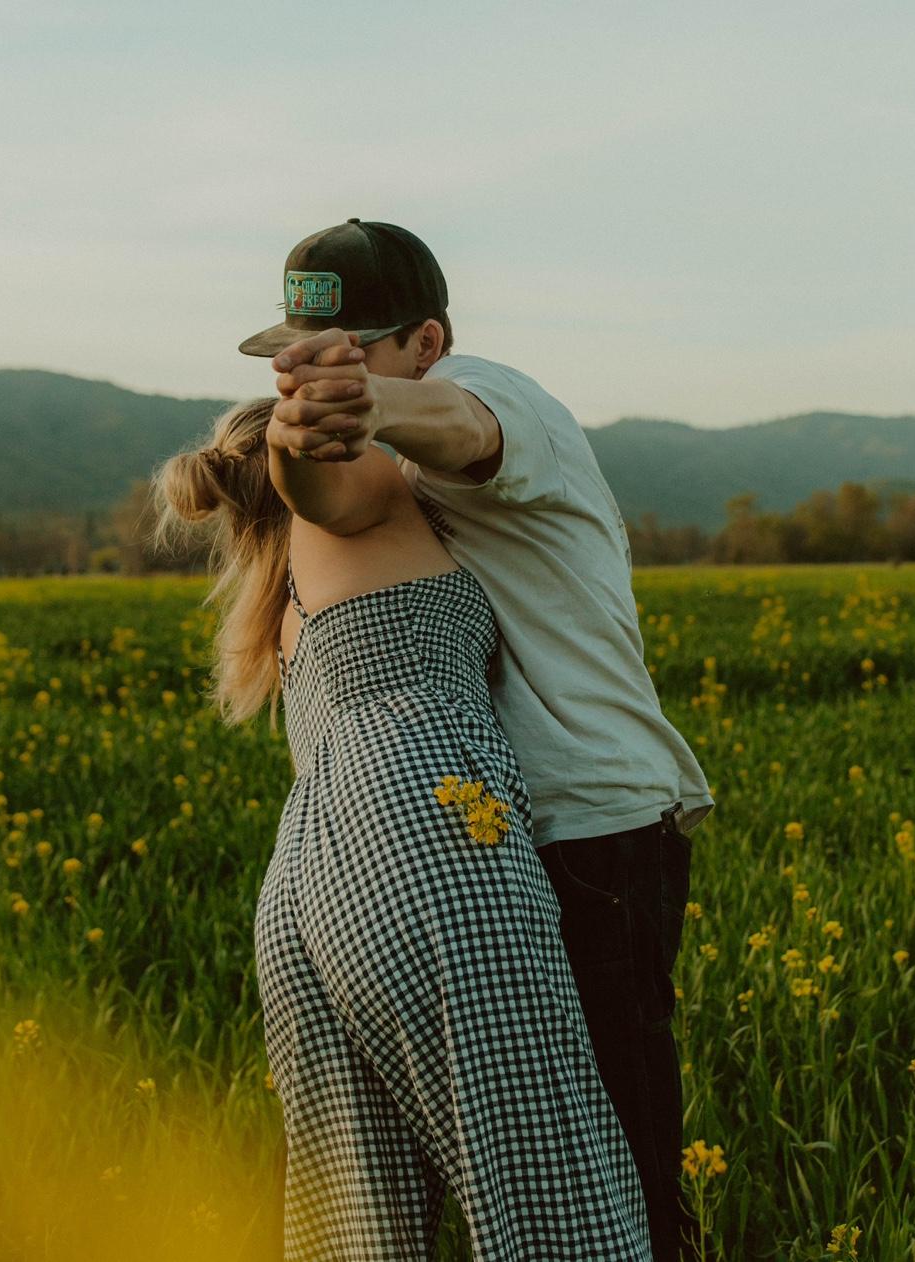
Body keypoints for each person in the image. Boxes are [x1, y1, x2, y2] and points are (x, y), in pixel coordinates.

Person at [240, 218, 715, 1262]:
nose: (326, 374)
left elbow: (458, 422)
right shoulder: (375, 473)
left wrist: (365, 405)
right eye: (302, 357)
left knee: (613, 1183)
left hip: (591, 830)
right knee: (535, 1192)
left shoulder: (495, 395)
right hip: (479, 835)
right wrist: (295, 441)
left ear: (426, 340)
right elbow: (325, 490)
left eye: (354, 351)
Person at [150, 396, 656, 1260]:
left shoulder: (284, 596)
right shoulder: (355, 496)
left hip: (307, 884)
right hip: (425, 835)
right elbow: (323, 475)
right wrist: (319, 422)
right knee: (550, 1186)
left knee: (355, 1229)